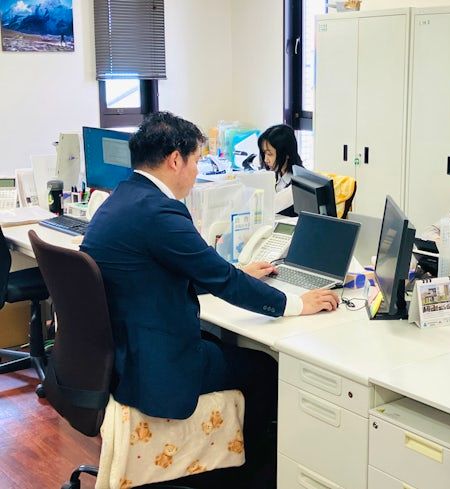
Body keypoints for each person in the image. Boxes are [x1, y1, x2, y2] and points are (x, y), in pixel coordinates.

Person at [81, 111, 339, 487]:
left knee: (224, 345)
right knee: (264, 368)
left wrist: (237, 271)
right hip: (156, 367)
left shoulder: (122, 198)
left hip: (125, 354)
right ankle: (245, 476)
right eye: (197, 161)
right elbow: (224, 282)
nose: (197, 171)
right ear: (175, 160)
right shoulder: (159, 212)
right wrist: (297, 304)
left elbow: (162, 269)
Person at [258, 124, 304, 193]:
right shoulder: (275, 174)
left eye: (269, 154)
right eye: (264, 153)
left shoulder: (299, 184)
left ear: (287, 154)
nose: (266, 160)